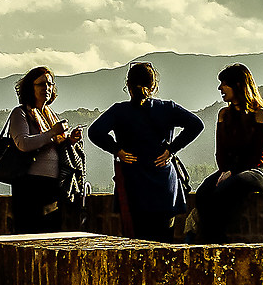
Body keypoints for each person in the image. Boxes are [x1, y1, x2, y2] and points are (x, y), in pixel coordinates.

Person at [87, 62, 204, 242]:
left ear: (128, 85)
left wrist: (117, 150)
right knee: (164, 244)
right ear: (154, 86)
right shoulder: (167, 108)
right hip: (164, 184)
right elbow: (196, 124)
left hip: (133, 184)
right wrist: (171, 150)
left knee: (137, 243)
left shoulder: (119, 111)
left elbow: (94, 132)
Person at [193, 64, 263, 243]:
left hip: (255, 170)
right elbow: (220, 151)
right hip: (230, 169)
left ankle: (218, 238)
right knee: (203, 191)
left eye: (224, 84)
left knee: (226, 189)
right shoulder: (224, 114)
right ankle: (207, 238)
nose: (220, 88)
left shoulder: (260, 114)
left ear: (238, 85)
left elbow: (259, 155)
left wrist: (233, 172)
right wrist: (224, 170)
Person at [5, 66, 85, 232]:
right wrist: (53, 132)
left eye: (49, 84)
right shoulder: (20, 113)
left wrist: (69, 140)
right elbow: (23, 143)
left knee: (51, 232)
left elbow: (55, 144)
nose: (46, 88)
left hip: (52, 184)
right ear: (30, 87)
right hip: (29, 185)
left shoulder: (50, 114)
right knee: (30, 233)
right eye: (41, 84)